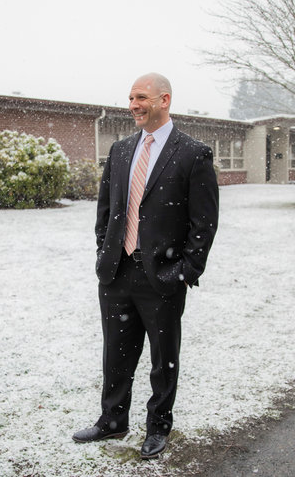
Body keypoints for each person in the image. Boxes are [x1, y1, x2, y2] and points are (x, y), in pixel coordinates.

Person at [72, 73, 218, 459]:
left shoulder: (193, 153)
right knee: (115, 354)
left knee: (162, 358)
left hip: (162, 278)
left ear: (164, 100)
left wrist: (184, 271)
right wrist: (106, 250)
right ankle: (113, 421)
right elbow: (106, 211)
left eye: (141, 97)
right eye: (131, 98)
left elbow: (204, 224)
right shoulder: (120, 150)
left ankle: (158, 427)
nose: (134, 105)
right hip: (117, 273)